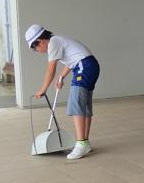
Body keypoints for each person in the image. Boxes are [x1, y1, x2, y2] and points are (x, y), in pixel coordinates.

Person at [25, 24, 100, 160]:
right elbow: (71, 61)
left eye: (34, 48)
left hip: (84, 66)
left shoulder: (53, 43)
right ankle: (85, 143)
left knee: (76, 103)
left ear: (40, 41)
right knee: (84, 106)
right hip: (89, 65)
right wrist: (61, 77)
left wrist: (43, 89)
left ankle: (81, 144)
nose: (36, 51)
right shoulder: (58, 40)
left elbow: (51, 69)